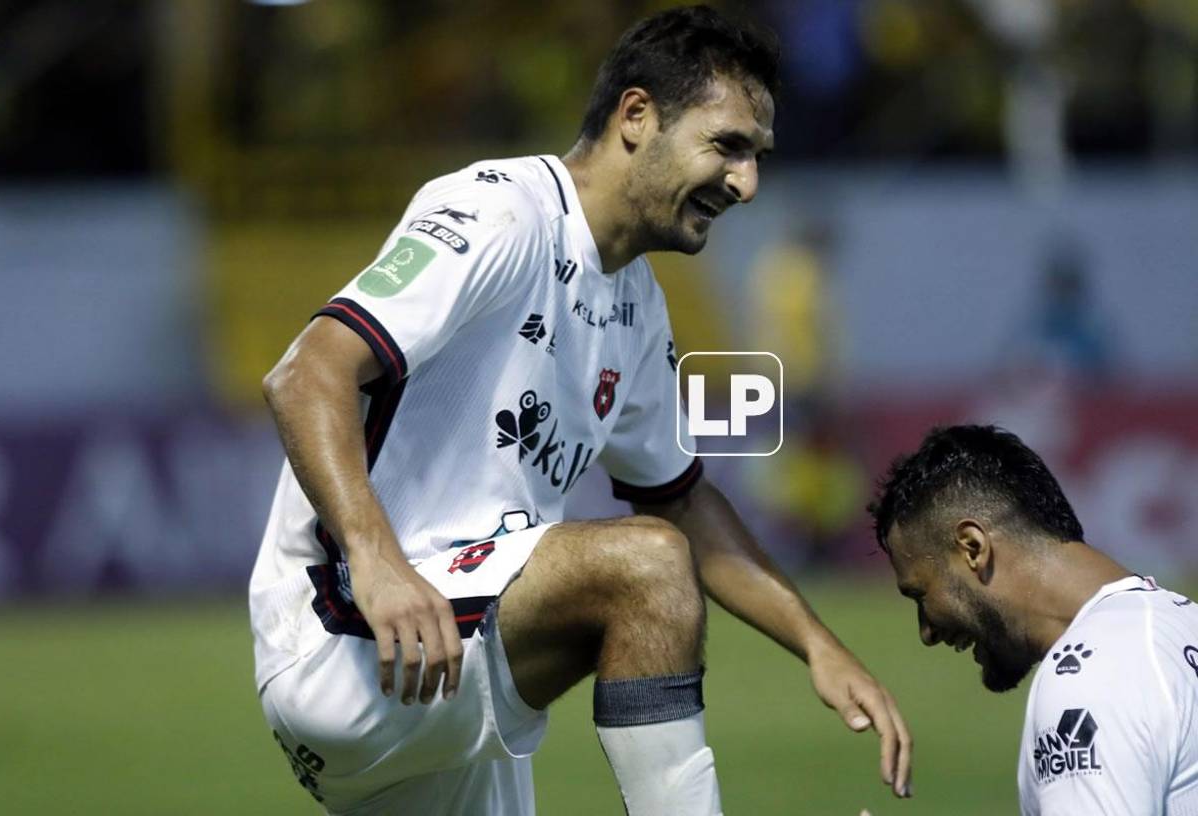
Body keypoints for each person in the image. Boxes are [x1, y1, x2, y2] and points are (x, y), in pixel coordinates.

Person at [251, 6, 912, 814]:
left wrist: (817, 645)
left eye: (758, 157)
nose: (747, 183)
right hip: (349, 630)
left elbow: (680, 495)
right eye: (728, 146)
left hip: (448, 644)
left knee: (658, 541)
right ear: (638, 117)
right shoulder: (503, 213)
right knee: (644, 566)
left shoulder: (636, 305)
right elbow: (306, 373)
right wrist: (378, 560)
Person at [869, 425, 1198, 815]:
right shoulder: (1178, 624)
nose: (927, 632)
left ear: (973, 547)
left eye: (920, 595)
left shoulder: (1089, 677)